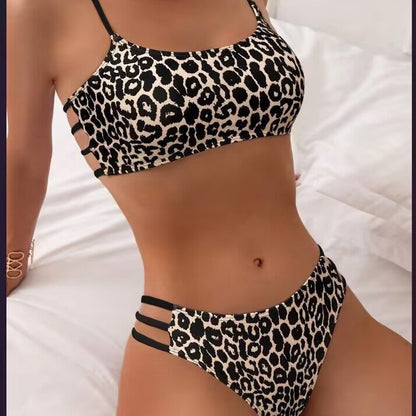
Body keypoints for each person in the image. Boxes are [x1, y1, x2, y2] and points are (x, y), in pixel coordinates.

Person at [6, 0, 411, 415]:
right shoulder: (40, 11)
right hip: (193, 341)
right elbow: (24, 160)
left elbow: (246, 110)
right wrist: (12, 261)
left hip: (322, 306)